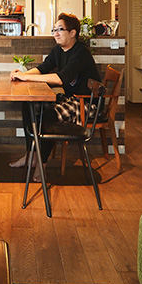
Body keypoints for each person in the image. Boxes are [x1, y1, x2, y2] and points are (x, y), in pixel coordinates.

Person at [9, 13, 101, 181]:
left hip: (86, 104)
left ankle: (42, 164)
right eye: (54, 30)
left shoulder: (81, 52)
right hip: (71, 100)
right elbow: (43, 68)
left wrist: (26, 78)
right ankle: (31, 155)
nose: (55, 33)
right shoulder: (58, 50)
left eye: (60, 29)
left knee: (48, 116)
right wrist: (22, 74)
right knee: (28, 105)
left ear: (72, 33)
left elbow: (60, 79)